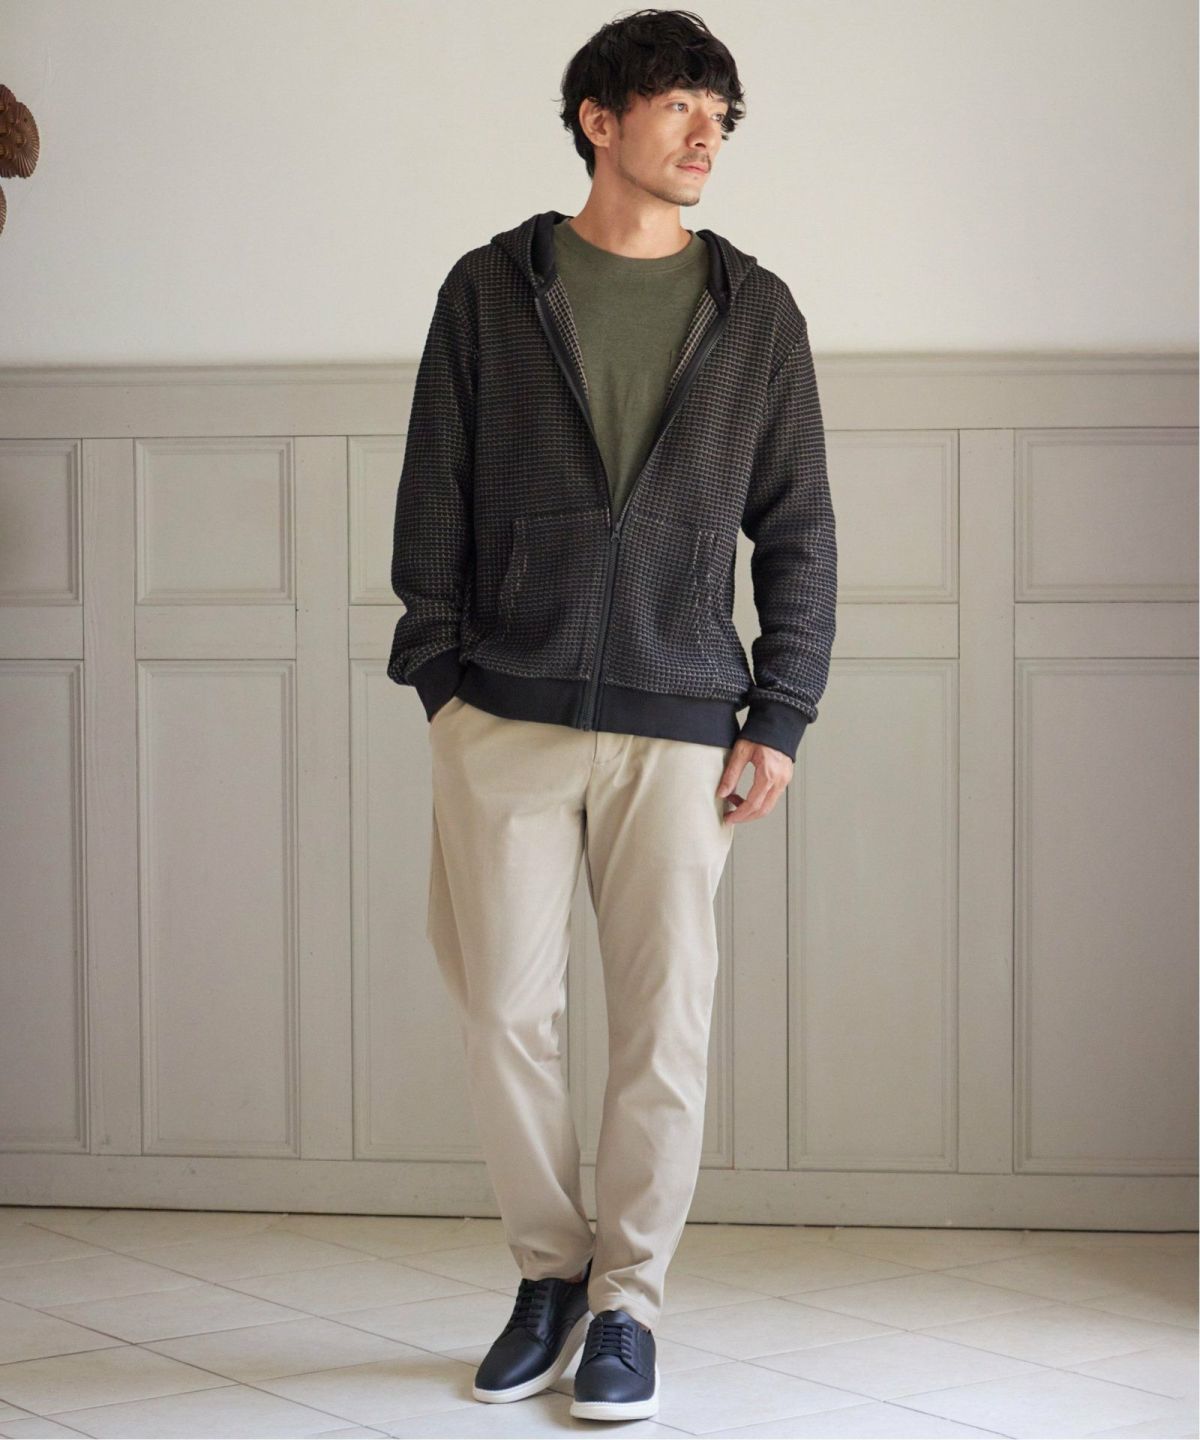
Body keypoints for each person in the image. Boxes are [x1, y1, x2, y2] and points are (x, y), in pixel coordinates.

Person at [388, 6, 837, 1422]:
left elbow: (799, 530)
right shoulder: (491, 289)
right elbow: (433, 493)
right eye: (680, 104)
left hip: (683, 715)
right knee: (504, 1012)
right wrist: (446, 683)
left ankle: (629, 1304)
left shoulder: (755, 312)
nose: (708, 132)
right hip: (502, 711)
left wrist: (781, 711)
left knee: (661, 1028)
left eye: (722, 112)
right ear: (600, 118)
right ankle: (550, 1271)